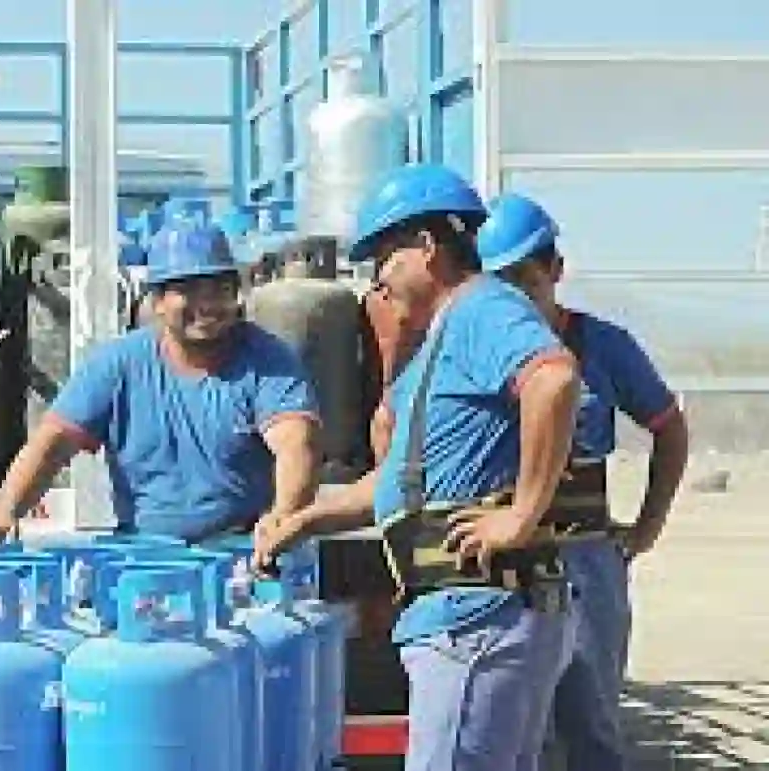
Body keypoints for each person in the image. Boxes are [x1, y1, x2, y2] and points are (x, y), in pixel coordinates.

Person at [253, 163, 583, 771]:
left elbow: (553, 380)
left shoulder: (483, 308)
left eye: (383, 258)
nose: (377, 279)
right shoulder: (447, 333)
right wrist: (303, 520)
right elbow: (399, 485)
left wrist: (520, 515)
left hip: (477, 618)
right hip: (469, 618)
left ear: (427, 247)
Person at [476, 192, 690, 771]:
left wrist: (646, 528)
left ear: (555, 270)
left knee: (592, 725)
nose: (515, 299)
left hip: (585, 561)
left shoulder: (603, 346)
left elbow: (669, 428)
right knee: (516, 729)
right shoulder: (472, 348)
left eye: (525, 280)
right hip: (504, 564)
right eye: (499, 284)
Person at [0, 217, 322, 550]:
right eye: (188, 290)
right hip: (145, 552)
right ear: (157, 302)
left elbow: (296, 445)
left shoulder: (269, 360)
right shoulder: (118, 364)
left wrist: (283, 515)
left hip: (244, 550)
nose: (207, 305)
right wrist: (4, 513)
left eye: (220, 290)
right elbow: (51, 444)